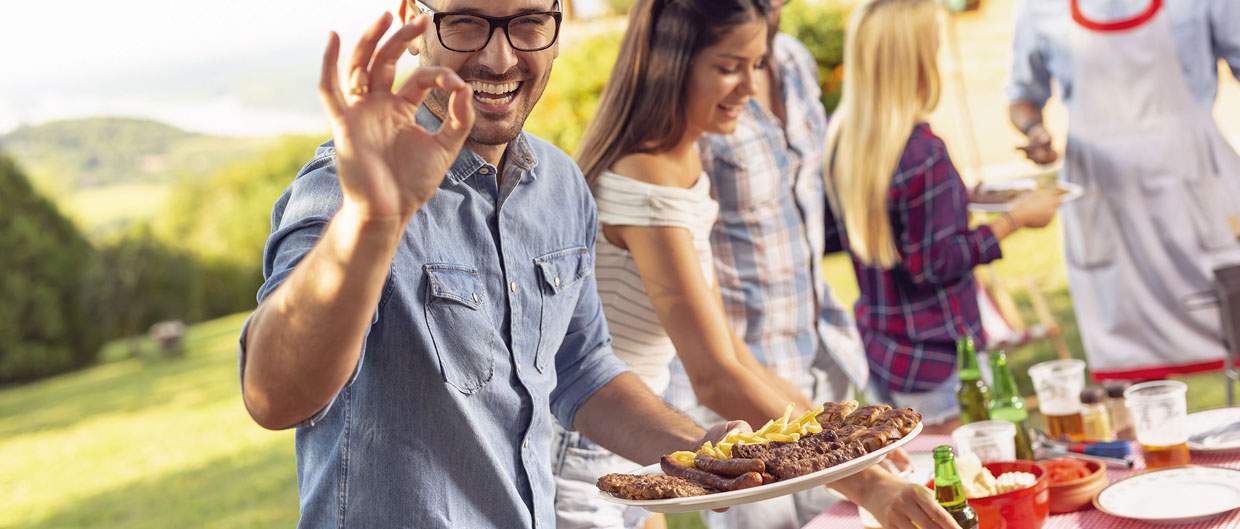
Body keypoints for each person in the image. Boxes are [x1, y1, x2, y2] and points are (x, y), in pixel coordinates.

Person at [238, 3, 743, 528]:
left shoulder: (560, 185)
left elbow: (581, 369)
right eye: (464, 22)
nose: (500, 59)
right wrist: (370, 220)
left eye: (527, 21)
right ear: (415, 21)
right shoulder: (343, 187)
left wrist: (696, 450)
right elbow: (273, 397)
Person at [553, 2, 960, 529]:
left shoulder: (683, 161)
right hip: (586, 457)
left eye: (756, 65)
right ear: (672, 64)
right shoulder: (644, 176)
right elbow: (715, 377)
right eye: (728, 67)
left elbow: (735, 353)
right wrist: (867, 486)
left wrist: (848, 450)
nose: (748, 87)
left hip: (630, 444)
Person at [822, 0, 1059, 434]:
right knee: (970, 478)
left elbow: (891, 225)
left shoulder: (846, 138)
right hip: (942, 362)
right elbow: (933, 263)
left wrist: (960, 198)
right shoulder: (922, 153)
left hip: (886, 354)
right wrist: (1016, 219)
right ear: (914, 61)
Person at [1008, 0, 1240, 380]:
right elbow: (1022, 96)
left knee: (1231, 334)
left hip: (1197, 196)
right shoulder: (1038, 8)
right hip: (1104, 205)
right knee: (1127, 375)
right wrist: (1035, 131)